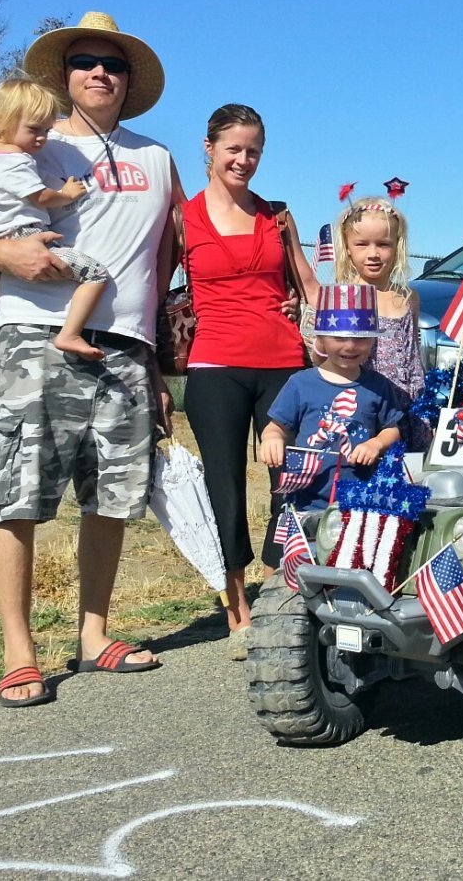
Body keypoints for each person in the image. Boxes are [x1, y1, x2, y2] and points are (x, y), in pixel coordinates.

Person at [0, 11, 178, 706]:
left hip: (125, 347)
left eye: (112, 62)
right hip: (34, 336)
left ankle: (93, 632)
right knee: (16, 491)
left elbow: (167, 258)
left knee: (111, 494)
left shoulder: (157, 158)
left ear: (129, 79)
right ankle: (19, 651)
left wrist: (161, 361)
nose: (98, 72)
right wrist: (8, 252)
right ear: (65, 75)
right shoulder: (28, 144)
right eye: (83, 60)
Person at [180, 103, 314, 660]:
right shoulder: (180, 219)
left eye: (253, 150)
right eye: (233, 148)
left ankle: (280, 583)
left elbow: (307, 283)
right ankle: (235, 603)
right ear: (208, 149)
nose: (243, 159)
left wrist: (318, 308)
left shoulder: (277, 216)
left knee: (295, 477)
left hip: (283, 360)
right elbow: (152, 286)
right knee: (225, 484)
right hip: (214, 365)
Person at [0, 75, 110, 361]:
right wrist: (68, 194)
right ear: (3, 121)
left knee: (4, 277)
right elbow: (41, 197)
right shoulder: (15, 160)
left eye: (46, 129)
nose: (42, 138)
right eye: (34, 130)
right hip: (25, 233)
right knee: (96, 273)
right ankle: (70, 333)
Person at [258, 285, 406, 517]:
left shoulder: (378, 386)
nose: (350, 346)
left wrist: (375, 444)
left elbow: (392, 430)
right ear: (321, 338)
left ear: (372, 340)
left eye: (361, 338)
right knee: (308, 553)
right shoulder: (300, 383)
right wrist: (272, 439)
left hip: (360, 499)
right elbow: (277, 427)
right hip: (307, 500)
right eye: (338, 337)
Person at [333, 195, 429, 452]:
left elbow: (412, 354)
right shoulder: (344, 297)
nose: (373, 254)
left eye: (383, 244)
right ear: (347, 246)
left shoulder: (409, 297)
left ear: (397, 245)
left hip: (410, 404)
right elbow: (326, 358)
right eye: (362, 244)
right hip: (367, 404)